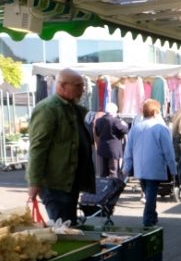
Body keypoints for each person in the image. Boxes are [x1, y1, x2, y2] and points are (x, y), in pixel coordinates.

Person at [27, 68, 95, 224]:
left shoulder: (71, 107)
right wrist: (34, 182)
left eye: (82, 86)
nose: (82, 90)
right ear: (62, 86)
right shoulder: (47, 109)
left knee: (68, 225)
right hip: (55, 184)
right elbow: (38, 148)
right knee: (62, 228)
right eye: (78, 86)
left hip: (69, 182)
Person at [123, 99, 177, 227]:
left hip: (139, 167)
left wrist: (127, 166)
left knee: (148, 192)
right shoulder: (160, 128)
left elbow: (128, 149)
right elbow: (168, 151)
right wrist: (173, 169)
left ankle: (152, 216)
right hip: (154, 165)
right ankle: (148, 219)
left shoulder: (135, 128)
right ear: (156, 111)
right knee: (151, 193)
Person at [90, 102, 129, 178]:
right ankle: (112, 188)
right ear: (114, 111)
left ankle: (104, 187)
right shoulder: (116, 121)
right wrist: (124, 123)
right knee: (113, 171)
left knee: (103, 171)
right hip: (113, 150)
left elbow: (97, 133)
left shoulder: (99, 121)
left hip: (102, 149)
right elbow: (125, 130)